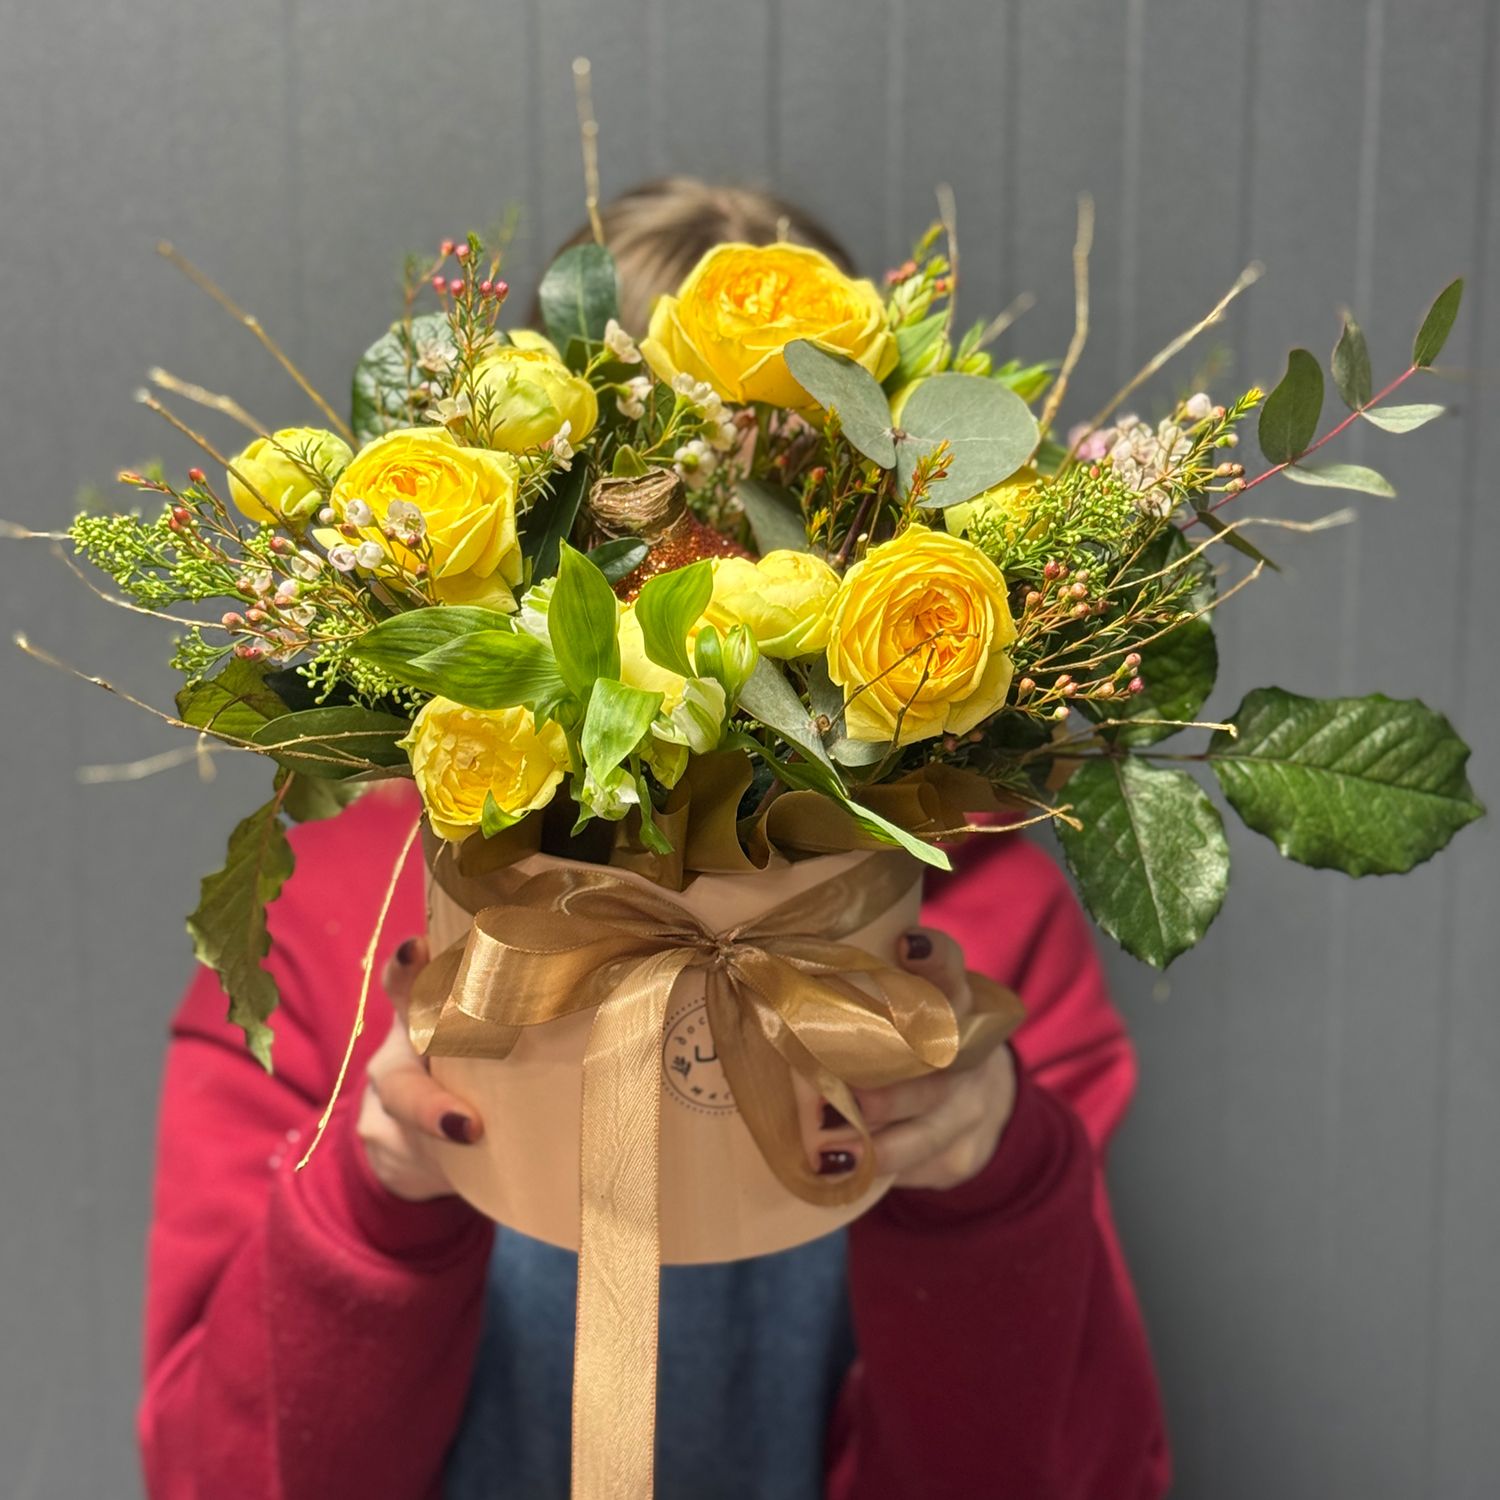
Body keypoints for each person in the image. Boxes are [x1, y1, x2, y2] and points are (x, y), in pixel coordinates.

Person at [140, 179, 1170, 1500]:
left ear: (878, 526)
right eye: (630, 511)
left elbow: (1091, 1474)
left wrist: (989, 1184)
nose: (693, 574)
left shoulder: (978, 928)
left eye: (768, 506)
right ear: (521, 529)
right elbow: (208, 1473)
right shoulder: (332, 917)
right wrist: (378, 1192)